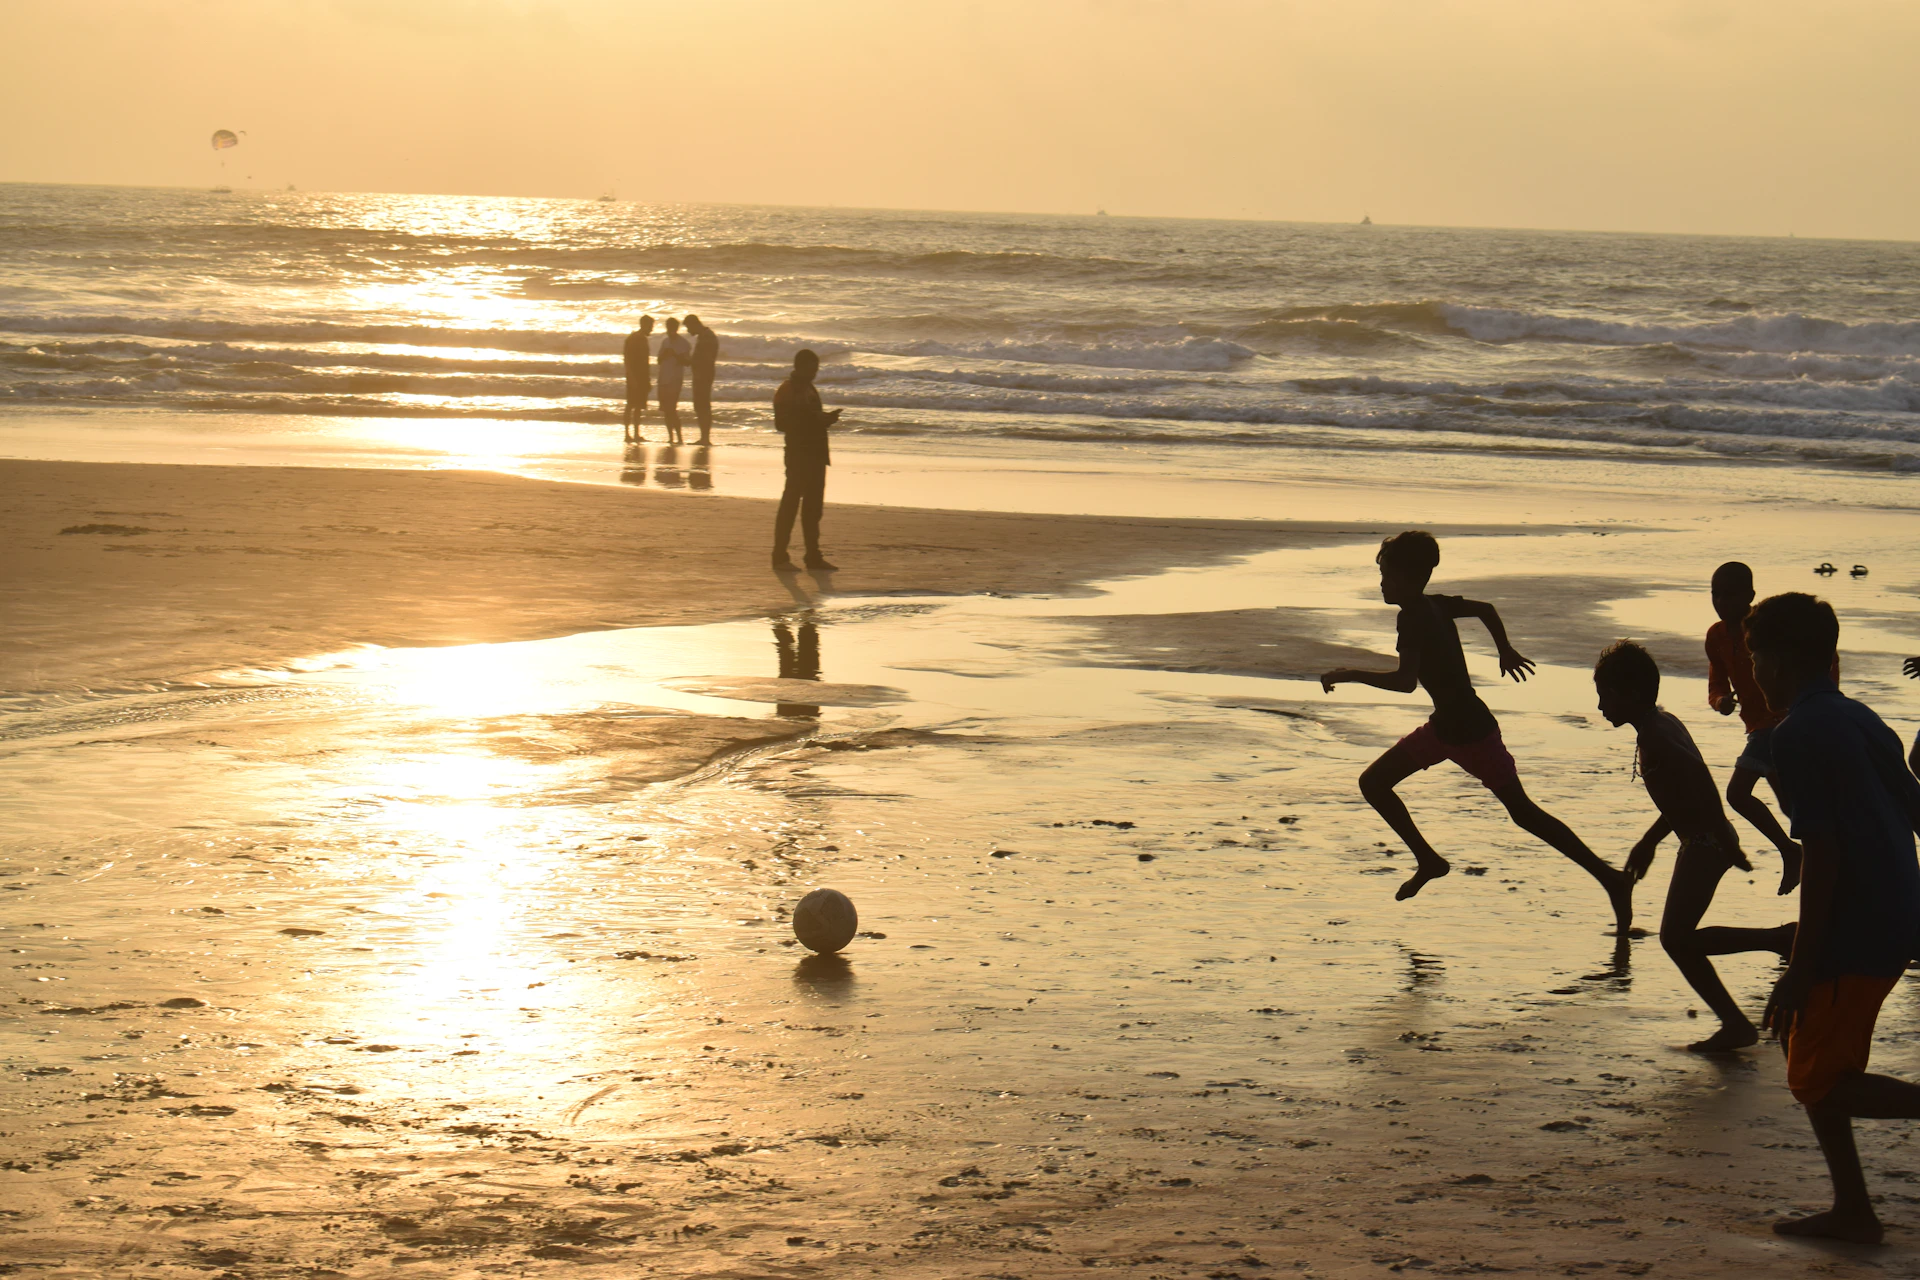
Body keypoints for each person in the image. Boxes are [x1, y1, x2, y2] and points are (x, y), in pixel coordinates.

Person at [1320, 531, 1633, 933]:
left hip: (1470, 733)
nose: (1382, 583)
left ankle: (1611, 878)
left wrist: (1349, 675)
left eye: (1387, 575)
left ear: (1410, 576)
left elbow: (1405, 682)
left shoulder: (1413, 615)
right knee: (1374, 783)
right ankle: (1429, 861)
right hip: (1447, 727)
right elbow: (1486, 609)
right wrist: (1504, 648)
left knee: (1525, 814)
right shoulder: (1434, 605)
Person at [1752, 592, 1920, 1244]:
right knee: (1822, 1063)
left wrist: (1802, 967)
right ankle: (1853, 1208)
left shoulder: (1795, 735)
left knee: (1818, 1080)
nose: (1754, 671)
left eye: (1756, 656)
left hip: (1860, 924)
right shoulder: (1863, 717)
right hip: (1895, 909)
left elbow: (1821, 852)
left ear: (1784, 660)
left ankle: (1855, 1210)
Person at [1594, 640, 1796, 1052]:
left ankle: (1775, 950)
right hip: (1703, 840)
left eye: (1605, 697)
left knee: (1675, 939)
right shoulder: (1661, 722)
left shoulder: (1655, 738)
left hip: (1706, 843)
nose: (1600, 708)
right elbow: (1680, 795)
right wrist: (1649, 842)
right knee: (1679, 938)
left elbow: (1701, 784)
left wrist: (1722, 839)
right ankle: (1775, 949)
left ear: (1629, 694)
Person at [1707, 561, 1814, 893]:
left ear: (1750, 596)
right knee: (1791, 804)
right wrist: (1722, 701)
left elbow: (1812, 661)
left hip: (1779, 724)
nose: (1722, 602)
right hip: (1756, 727)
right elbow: (1716, 685)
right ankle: (1813, 857)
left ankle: (1795, 852)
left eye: (1730, 595)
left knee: (1738, 793)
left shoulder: (1766, 629)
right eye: (1716, 595)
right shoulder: (1717, 636)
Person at [771, 348, 841, 571]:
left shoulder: (808, 388)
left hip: (815, 454)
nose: (815, 373)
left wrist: (823, 419)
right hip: (799, 454)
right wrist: (816, 420)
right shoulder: (787, 390)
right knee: (790, 506)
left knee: (813, 509)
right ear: (800, 367)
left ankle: (813, 556)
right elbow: (782, 424)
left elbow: (807, 418)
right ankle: (780, 556)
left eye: (816, 369)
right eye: (812, 369)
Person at [685, 314, 719, 447]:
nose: (688, 331)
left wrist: (689, 361)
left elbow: (704, 359)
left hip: (703, 375)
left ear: (694, 324)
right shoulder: (705, 336)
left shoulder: (707, 337)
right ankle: (704, 437)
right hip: (702, 374)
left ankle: (705, 438)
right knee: (701, 405)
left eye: (688, 327)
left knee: (702, 405)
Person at [656, 317, 691, 445]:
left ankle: (679, 437)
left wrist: (675, 354)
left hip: (675, 380)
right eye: (667, 327)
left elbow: (687, 362)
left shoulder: (684, 343)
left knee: (672, 409)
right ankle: (670, 437)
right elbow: (659, 360)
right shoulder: (665, 342)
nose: (669, 330)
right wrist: (665, 354)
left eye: (671, 327)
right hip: (663, 379)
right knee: (666, 410)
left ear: (676, 328)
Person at [622, 316, 654, 442]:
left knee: (638, 406)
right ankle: (627, 434)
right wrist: (632, 377)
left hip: (641, 378)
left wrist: (647, 380)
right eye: (650, 326)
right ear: (644, 325)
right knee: (631, 405)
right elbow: (627, 360)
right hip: (635, 377)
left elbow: (645, 362)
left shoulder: (641, 339)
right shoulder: (634, 339)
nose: (651, 329)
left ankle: (635, 434)